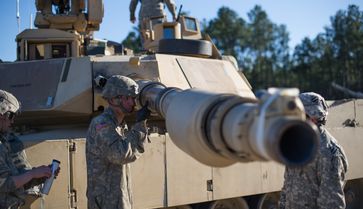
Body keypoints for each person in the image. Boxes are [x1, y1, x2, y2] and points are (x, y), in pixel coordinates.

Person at [86, 75, 150, 209]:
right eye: (128, 98)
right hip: (106, 202)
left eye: (133, 98)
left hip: (117, 199)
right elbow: (120, 155)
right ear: (114, 99)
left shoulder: (119, 124)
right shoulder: (102, 124)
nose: (133, 103)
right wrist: (139, 126)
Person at [279, 92, 348, 209]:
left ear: (313, 118)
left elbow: (331, 203)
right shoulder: (297, 144)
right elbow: (287, 186)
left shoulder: (328, 153)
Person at [0, 90, 54, 208]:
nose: (12, 121)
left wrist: (41, 175)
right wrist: (33, 174)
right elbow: (4, 184)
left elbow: (16, 178)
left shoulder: (4, 141)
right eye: (10, 115)